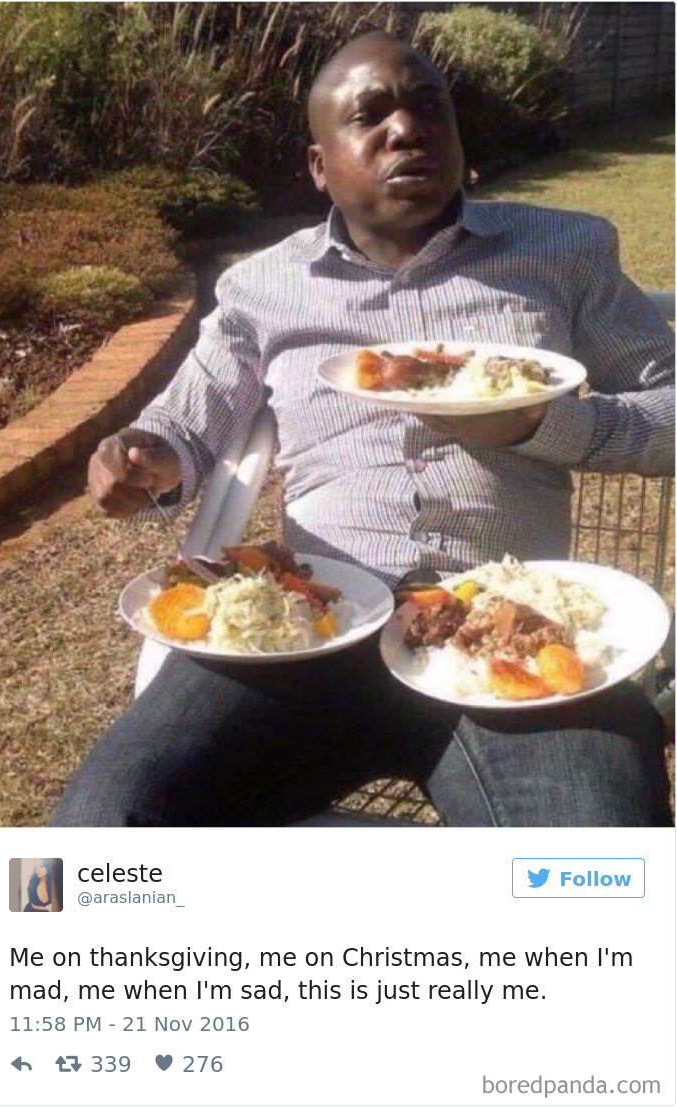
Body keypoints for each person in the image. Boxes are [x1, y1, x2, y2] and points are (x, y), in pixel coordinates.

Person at [54, 32, 674, 828]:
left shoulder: (563, 252)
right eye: (370, 115)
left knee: (598, 856)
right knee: (104, 823)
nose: (407, 130)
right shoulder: (262, 287)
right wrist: (145, 456)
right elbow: (183, 426)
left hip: (505, 628)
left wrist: (545, 425)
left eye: (428, 109)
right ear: (320, 166)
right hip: (313, 625)